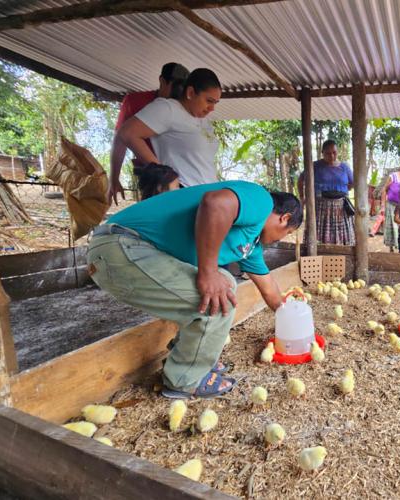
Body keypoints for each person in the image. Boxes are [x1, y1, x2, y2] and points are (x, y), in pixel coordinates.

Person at [87, 181, 302, 399]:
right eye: (288, 232)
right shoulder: (261, 200)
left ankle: (188, 357)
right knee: (221, 301)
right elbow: (215, 203)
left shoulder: (249, 245)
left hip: (130, 249)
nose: (281, 239)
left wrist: (296, 322)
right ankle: (185, 380)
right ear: (284, 218)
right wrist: (207, 273)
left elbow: (269, 290)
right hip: (120, 246)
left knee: (225, 282)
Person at [117, 68, 222, 189]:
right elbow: (127, 133)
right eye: (209, 101)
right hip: (183, 191)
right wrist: (163, 174)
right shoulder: (168, 109)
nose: (212, 108)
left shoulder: (204, 120)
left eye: (216, 103)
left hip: (206, 193)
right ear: (191, 93)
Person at [107, 62, 189, 205]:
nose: (178, 93)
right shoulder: (135, 102)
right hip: (150, 174)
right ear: (162, 81)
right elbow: (121, 139)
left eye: (182, 89)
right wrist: (114, 178)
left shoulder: (184, 108)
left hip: (179, 177)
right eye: (175, 87)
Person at [297, 139, 355, 245]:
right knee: (319, 235)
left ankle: (340, 252)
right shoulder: (315, 166)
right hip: (321, 207)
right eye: (328, 153)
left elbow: (353, 183)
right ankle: (320, 253)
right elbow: (301, 180)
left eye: (334, 153)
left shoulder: (344, 167)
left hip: (341, 207)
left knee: (341, 236)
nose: (332, 156)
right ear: (322, 153)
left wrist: (342, 190)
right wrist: (302, 197)